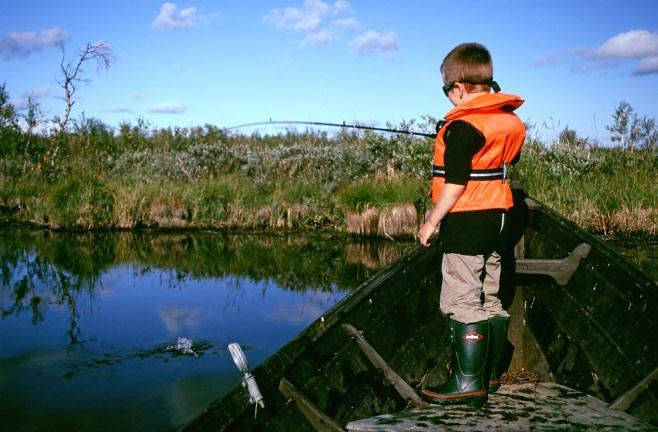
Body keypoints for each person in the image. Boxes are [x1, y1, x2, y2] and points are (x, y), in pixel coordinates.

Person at [417, 42, 526, 408]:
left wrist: (431, 222)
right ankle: (490, 375)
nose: (449, 98)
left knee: (462, 299)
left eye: (447, 91)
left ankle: (467, 384)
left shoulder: (461, 127)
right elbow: (496, 156)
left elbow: (456, 184)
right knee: (490, 295)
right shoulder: (509, 121)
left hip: (467, 220)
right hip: (500, 220)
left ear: (458, 88)